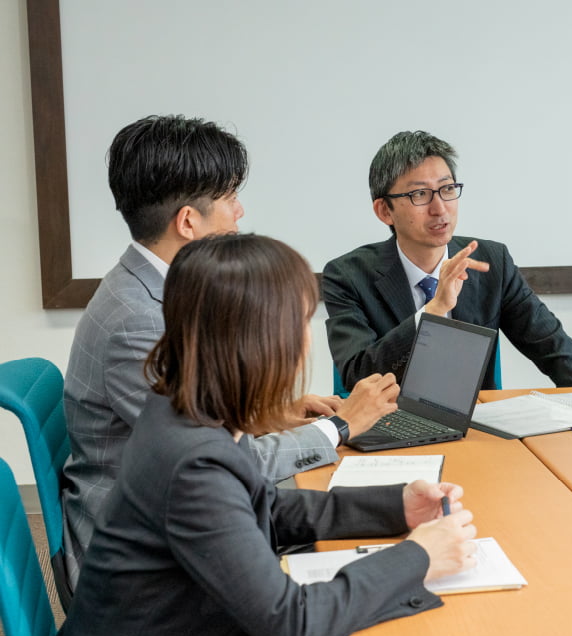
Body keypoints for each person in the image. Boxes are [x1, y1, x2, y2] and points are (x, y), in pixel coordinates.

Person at [45, 233, 478, 636]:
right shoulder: (194, 460)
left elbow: (264, 505)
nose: (306, 338)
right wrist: (419, 556)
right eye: (299, 322)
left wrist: (395, 505)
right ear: (258, 342)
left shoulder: (183, 407)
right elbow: (292, 623)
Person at [62, 115, 373, 591]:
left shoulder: (153, 290)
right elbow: (221, 462)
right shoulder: (140, 321)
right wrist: (341, 426)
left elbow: (199, 426)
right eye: (229, 197)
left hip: (169, 519)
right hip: (143, 567)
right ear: (188, 221)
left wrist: (275, 412)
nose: (239, 212)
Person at [322, 130, 572, 391]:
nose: (439, 208)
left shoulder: (492, 262)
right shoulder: (348, 277)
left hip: (476, 425)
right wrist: (433, 311)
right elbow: (358, 376)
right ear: (384, 211)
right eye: (420, 195)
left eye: (447, 189)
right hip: (391, 424)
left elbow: (554, 348)